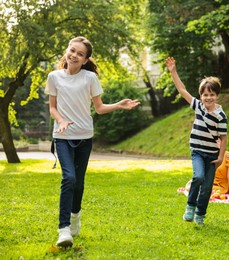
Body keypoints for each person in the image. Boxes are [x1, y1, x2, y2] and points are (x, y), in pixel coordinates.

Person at [45, 36, 140, 247]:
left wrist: (118, 105)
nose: (74, 55)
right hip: (62, 137)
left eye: (80, 54)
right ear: (67, 51)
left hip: (84, 137)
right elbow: (52, 107)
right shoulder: (54, 76)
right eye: (72, 50)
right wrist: (60, 120)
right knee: (68, 178)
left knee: (78, 182)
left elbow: (99, 108)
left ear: (86, 59)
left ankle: (75, 215)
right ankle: (63, 229)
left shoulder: (89, 79)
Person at [165, 57, 227, 226]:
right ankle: (190, 206)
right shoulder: (198, 106)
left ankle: (200, 213)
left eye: (212, 95)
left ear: (217, 96)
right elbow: (182, 90)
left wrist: (221, 157)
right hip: (198, 151)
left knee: (207, 187)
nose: (208, 98)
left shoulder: (221, 116)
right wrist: (173, 71)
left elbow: (223, 138)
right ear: (201, 96)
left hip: (213, 155)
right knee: (198, 177)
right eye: (205, 95)